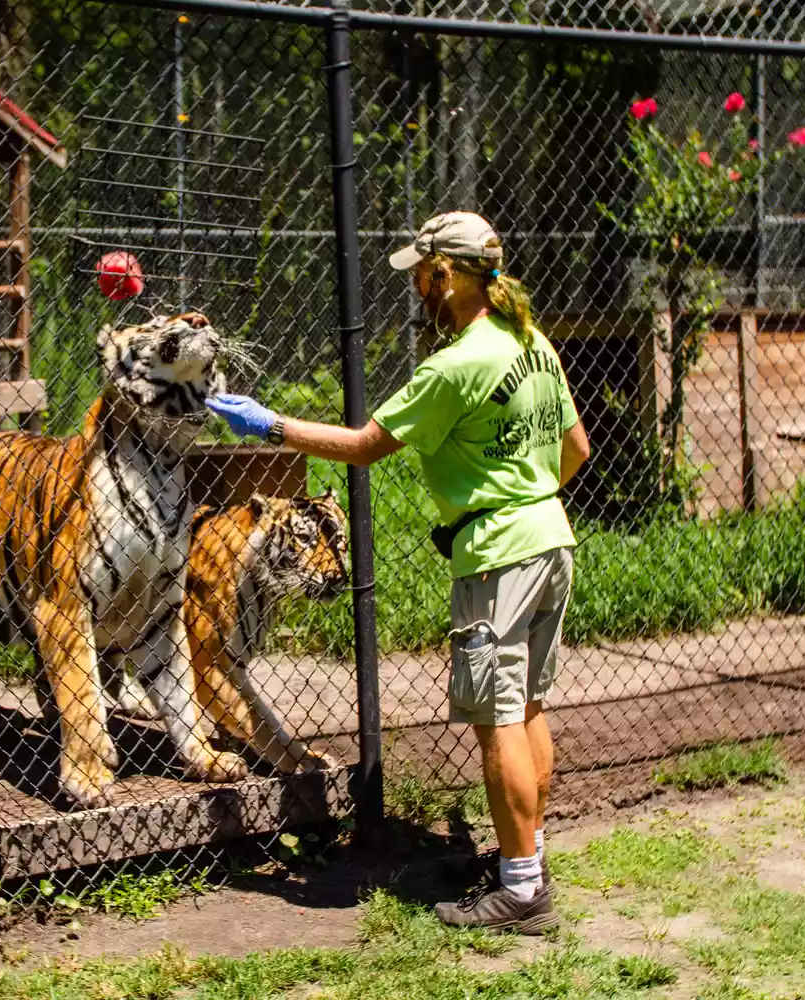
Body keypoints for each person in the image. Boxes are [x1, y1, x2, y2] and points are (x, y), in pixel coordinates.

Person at [206, 211, 590, 934]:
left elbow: (362, 445)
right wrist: (522, 492)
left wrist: (271, 425)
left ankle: (522, 893)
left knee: (498, 720)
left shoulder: (454, 364)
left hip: (499, 557)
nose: (415, 284)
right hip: (550, 540)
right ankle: (525, 861)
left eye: (421, 272)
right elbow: (575, 449)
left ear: (446, 275)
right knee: (530, 707)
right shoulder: (531, 341)